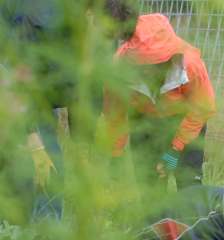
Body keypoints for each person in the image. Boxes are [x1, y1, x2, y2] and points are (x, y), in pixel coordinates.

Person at [0, 0, 139, 219]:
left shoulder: (100, 37)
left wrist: (82, 146)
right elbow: (20, 80)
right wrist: (34, 144)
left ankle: (43, 235)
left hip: (42, 90)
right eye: (106, 34)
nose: (106, 42)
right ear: (92, 16)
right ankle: (13, 232)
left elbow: (85, 94)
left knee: (51, 169)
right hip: (10, 70)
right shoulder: (45, 18)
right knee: (25, 162)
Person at [104, 12, 216, 189]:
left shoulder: (190, 65)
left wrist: (173, 152)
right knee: (149, 184)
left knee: (188, 182)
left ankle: (190, 215)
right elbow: (114, 115)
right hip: (144, 118)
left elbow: (201, 109)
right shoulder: (119, 67)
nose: (148, 72)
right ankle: (156, 217)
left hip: (185, 120)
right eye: (142, 66)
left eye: (154, 65)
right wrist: (115, 156)